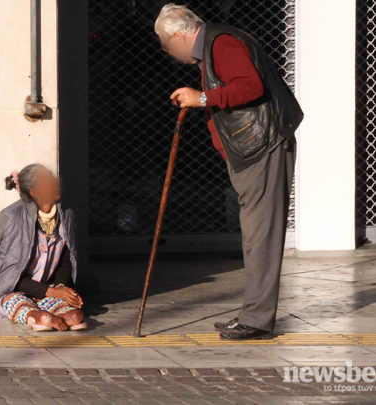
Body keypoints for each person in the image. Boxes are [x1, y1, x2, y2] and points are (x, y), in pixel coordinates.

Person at [154, 4, 304, 340]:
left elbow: (250, 87)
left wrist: (202, 97)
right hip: (253, 149)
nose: (170, 53)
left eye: (166, 45)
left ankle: (257, 319)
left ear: (178, 36)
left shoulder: (221, 44)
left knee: (260, 235)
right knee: (255, 235)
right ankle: (254, 314)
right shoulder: (215, 45)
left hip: (262, 147)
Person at [0, 164, 87, 332]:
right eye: (47, 180)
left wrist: (60, 287)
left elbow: (66, 259)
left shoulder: (66, 215)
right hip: (13, 289)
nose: (56, 182)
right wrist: (51, 292)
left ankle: (48, 318)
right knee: (20, 304)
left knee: (76, 316)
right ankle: (37, 317)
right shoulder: (10, 217)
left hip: (47, 290)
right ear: (34, 192)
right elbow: (9, 273)